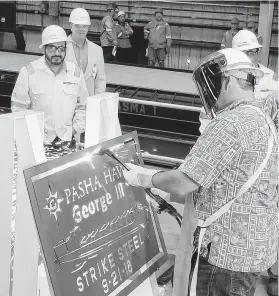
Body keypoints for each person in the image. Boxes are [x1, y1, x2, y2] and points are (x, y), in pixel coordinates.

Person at [123, 48, 278, 296]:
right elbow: (227, 182)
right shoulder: (262, 117)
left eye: (214, 81)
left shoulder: (230, 122)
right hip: (251, 253)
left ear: (231, 79)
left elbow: (184, 181)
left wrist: (143, 176)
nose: (208, 90)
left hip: (223, 256)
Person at [11, 25, 88, 148]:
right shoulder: (29, 72)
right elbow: (18, 109)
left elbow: (83, 106)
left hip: (68, 141)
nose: (57, 53)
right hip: (37, 142)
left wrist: (74, 131)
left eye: (61, 48)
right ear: (44, 49)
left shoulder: (76, 73)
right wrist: (33, 134)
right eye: (52, 48)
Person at [200, 29, 278, 134]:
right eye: (241, 54)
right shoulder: (224, 80)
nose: (245, 58)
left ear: (257, 53)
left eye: (250, 53)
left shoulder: (273, 79)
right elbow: (208, 116)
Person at [66, 8, 106, 96]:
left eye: (84, 26)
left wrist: (96, 102)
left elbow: (100, 81)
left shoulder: (97, 50)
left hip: (89, 103)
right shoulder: (61, 48)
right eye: (77, 25)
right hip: (65, 103)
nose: (81, 29)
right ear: (71, 26)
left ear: (88, 27)